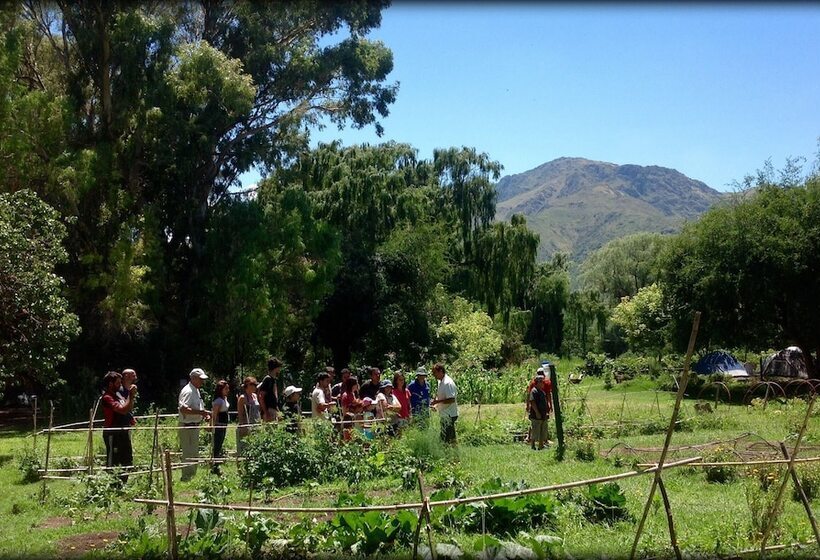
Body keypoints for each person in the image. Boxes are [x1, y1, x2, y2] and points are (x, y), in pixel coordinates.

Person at [101, 371, 136, 482]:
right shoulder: (107, 397)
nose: (120, 385)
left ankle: (123, 484)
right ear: (110, 384)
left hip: (123, 432)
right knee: (114, 460)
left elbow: (128, 408)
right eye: (118, 383)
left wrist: (131, 396)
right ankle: (112, 485)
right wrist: (130, 395)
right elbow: (122, 410)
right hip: (113, 433)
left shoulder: (118, 395)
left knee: (126, 458)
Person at [178, 368, 211, 481]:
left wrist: (204, 414)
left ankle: (191, 475)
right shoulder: (188, 391)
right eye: (200, 379)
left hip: (194, 425)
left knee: (194, 452)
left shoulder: (196, 390)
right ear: (193, 378)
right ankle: (186, 476)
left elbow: (197, 407)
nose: (202, 382)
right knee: (188, 452)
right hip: (187, 426)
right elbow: (183, 409)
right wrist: (201, 412)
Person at [430, 363, 458, 445]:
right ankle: (454, 454)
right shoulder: (440, 382)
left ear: (441, 371)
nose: (433, 375)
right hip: (444, 414)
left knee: (445, 438)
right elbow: (441, 396)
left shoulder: (448, 383)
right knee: (451, 437)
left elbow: (451, 399)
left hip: (449, 414)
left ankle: (447, 453)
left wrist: (437, 402)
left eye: (435, 372)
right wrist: (436, 404)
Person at [236, 376, 261, 455]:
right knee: (244, 447)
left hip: (256, 424)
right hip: (246, 425)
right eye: (252, 384)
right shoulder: (242, 398)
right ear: (247, 385)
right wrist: (243, 426)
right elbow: (240, 413)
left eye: (255, 384)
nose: (255, 386)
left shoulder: (255, 396)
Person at [210, 379, 230, 471]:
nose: (228, 390)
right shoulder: (218, 401)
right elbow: (215, 414)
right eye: (226, 389)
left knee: (220, 444)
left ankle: (217, 463)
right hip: (219, 425)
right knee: (217, 445)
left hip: (224, 424)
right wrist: (212, 426)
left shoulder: (224, 399)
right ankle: (215, 464)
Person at [528, 375, 551, 450]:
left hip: (543, 414)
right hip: (536, 415)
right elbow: (533, 402)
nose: (542, 383)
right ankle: (533, 445)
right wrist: (537, 412)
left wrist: (547, 411)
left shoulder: (542, 391)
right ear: (537, 383)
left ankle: (541, 445)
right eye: (541, 381)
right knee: (535, 430)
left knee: (542, 430)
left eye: (543, 381)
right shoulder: (534, 391)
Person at [258, 357, 282, 422]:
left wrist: (277, 410)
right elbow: (261, 396)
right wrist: (266, 412)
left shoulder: (273, 380)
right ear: (275, 367)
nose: (280, 369)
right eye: (279, 367)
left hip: (273, 409)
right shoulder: (267, 379)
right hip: (268, 410)